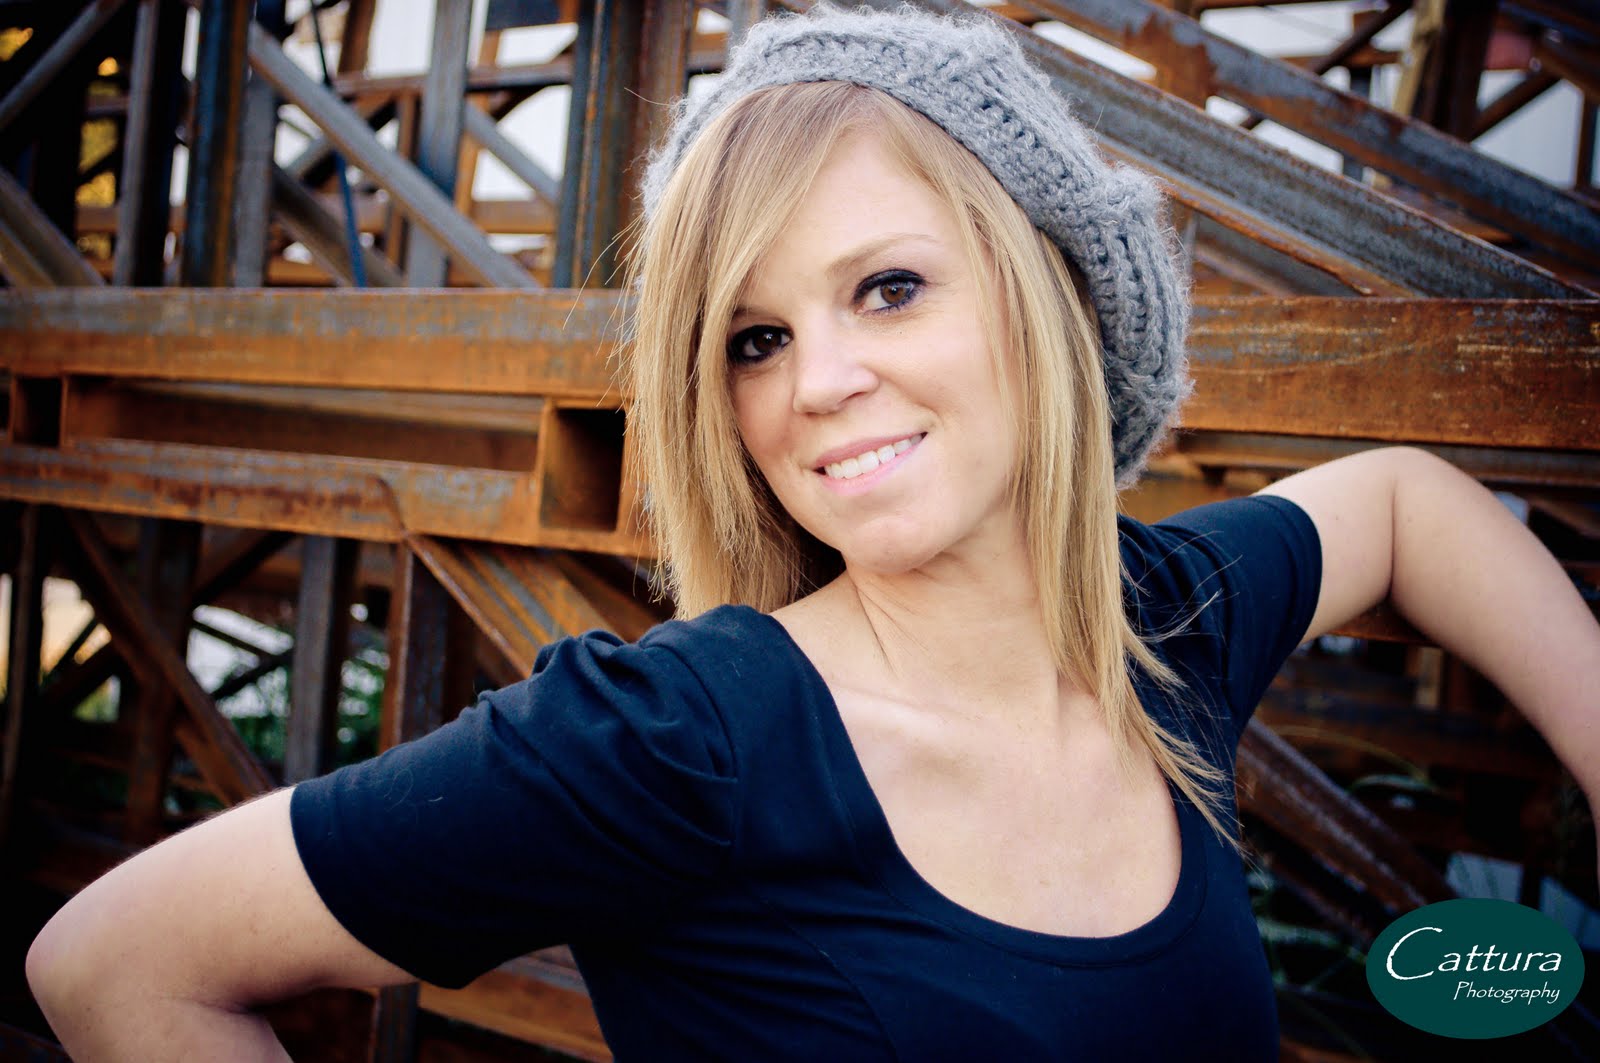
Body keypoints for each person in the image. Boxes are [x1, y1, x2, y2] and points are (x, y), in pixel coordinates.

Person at [26, 7, 1600, 1061]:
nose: (819, 383)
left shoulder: (1161, 625)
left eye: (888, 288)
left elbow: (1409, 502)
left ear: (1043, 294)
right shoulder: (681, 738)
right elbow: (116, 965)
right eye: (754, 338)